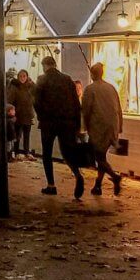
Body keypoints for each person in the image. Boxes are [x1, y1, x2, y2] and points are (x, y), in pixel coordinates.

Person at [33, 56, 85, 198]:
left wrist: (41, 116)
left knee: (47, 154)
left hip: (49, 123)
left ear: (45, 66)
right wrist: (76, 124)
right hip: (67, 123)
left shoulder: (42, 80)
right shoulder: (67, 79)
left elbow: (36, 102)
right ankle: (77, 174)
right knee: (67, 152)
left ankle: (51, 185)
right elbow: (76, 103)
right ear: (55, 65)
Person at [82, 63, 124, 196]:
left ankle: (115, 177)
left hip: (98, 127)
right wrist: (119, 127)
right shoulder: (111, 88)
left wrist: (85, 127)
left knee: (98, 157)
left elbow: (86, 111)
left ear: (92, 74)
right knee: (102, 156)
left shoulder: (90, 89)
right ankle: (98, 185)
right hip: (112, 127)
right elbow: (118, 107)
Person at [8, 69, 36, 160]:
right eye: (21, 76)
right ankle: (16, 152)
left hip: (28, 114)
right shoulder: (15, 87)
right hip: (19, 115)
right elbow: (11, 100)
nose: (22, 78)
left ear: (27, 77)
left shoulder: (30, 86)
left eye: (24, 76)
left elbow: (35, 98)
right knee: (17, 135)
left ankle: (27, 152)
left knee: (27, 135)